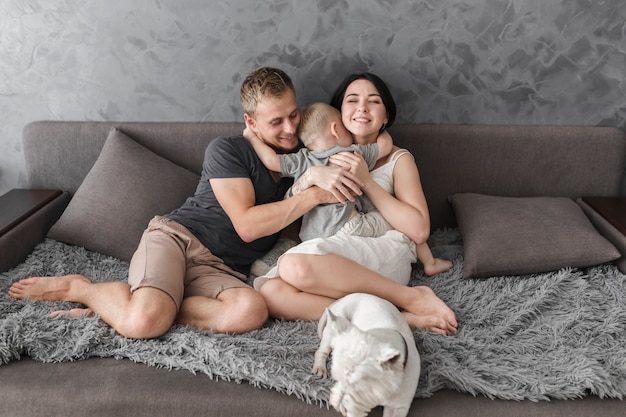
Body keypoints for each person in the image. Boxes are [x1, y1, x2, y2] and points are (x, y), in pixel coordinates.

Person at [7, 66, 360, 338]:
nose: (289, 128)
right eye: (276, 121)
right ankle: (83, 288)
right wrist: (313, 192)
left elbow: (363, 147)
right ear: (250, 122)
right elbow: (248, 226)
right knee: (144, 322)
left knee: (250, 311)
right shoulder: (227, 150)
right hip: (177, 240)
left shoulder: (302, 158)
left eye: (293, 114)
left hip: (221, 270)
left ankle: (138, 300)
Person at [255, 72, 458, 335]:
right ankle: (397, 318)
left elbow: (419, 231)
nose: (362, 107)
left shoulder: (399, 159)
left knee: (293, 266)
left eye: (373, 101)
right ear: (338, 115)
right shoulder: (317, 159)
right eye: (352, 100)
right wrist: (308, 179)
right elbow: (288, 211)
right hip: (335, 253)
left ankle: (412, 297)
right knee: (272, 293)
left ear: (385, 116)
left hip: (382, 249)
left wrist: (367, 182)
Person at [246, 101, 393, 242]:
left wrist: (251, 137)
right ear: (335, 129)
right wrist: (381, 126)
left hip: (311, 236)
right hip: (348, 225)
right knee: (388, 222)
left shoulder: (302, 160)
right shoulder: (350, 152)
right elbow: (386, 146)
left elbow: (271, 161)